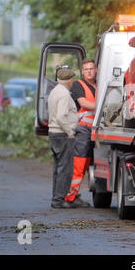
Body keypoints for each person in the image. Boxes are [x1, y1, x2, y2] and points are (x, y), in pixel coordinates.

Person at [64, 59, 97, 207]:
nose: (89, 71)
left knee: (86, 165)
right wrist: (103, 106)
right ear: (82, 72)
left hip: (94, 130)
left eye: (91, 68)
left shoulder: (97, 85)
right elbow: (83, 103)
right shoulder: (78, 85)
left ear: (95, 70)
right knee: (79, 163)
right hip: (83, 129)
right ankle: (70, 197)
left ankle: (74, 195)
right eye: (86, 69)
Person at [48, 68, 79, 209]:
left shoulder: (54, 92)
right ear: (70, 80)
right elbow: (61, 116)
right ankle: (59, 200)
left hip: (53, 133)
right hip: (63, 134)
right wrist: (69, 131)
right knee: (65, 169)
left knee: (57, 168)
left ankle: (56, 197)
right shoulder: (64, 95)